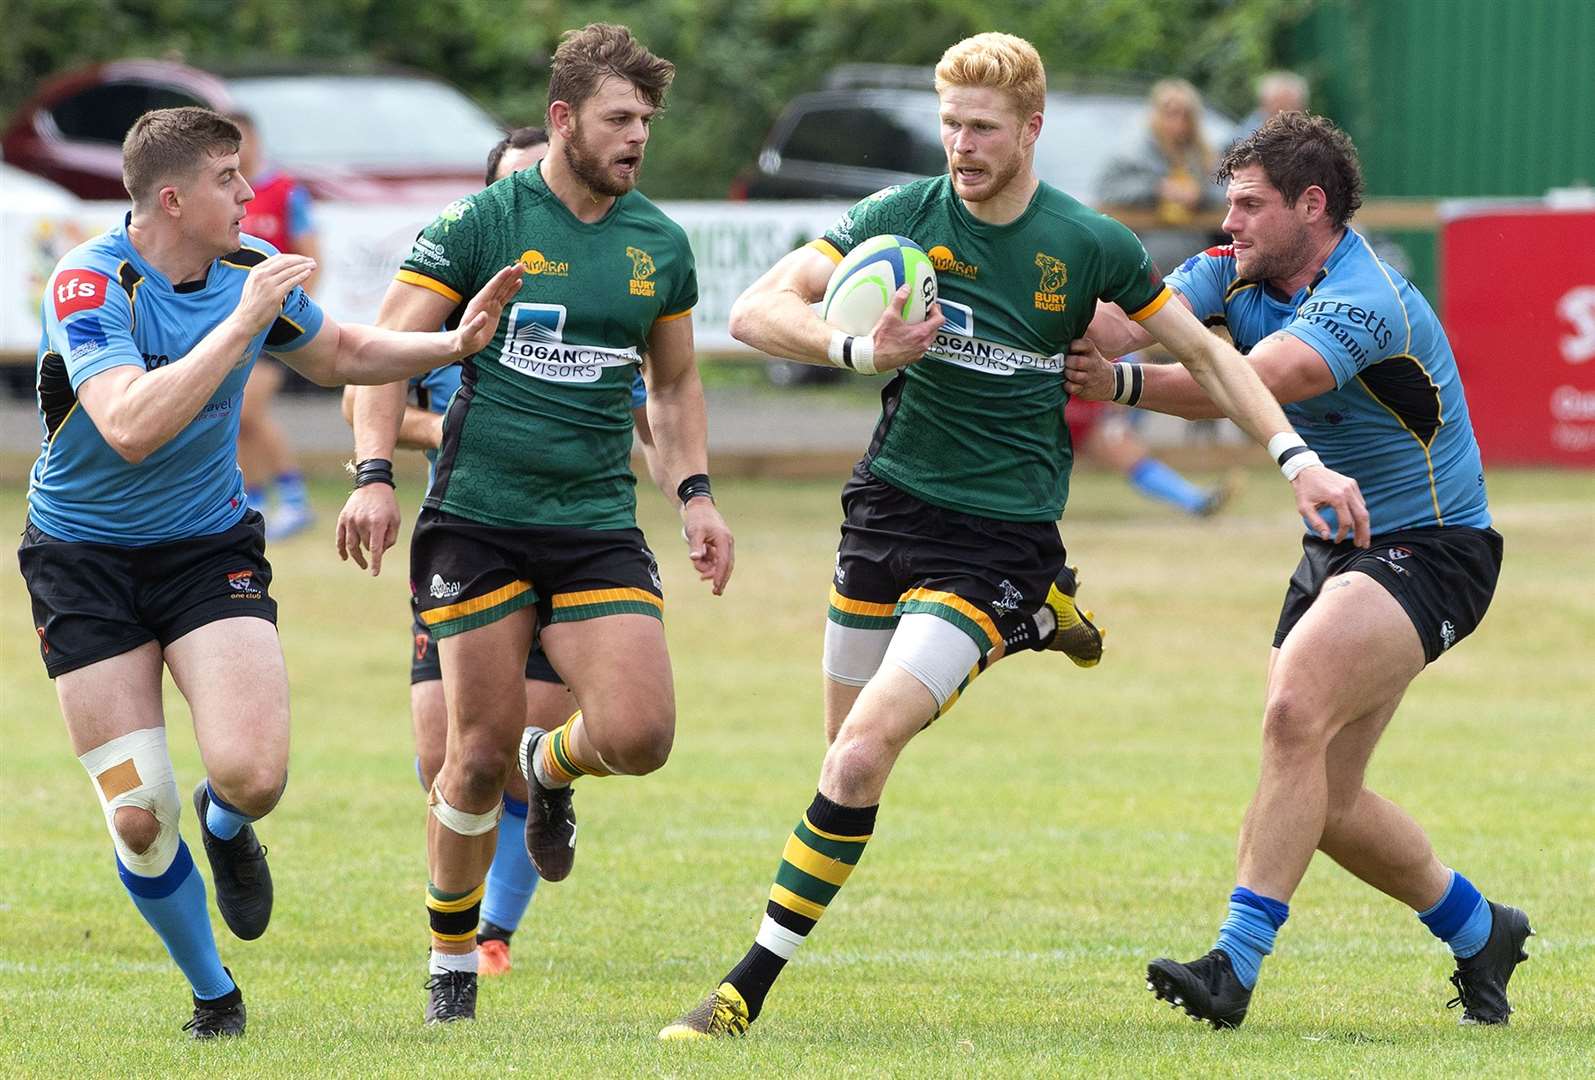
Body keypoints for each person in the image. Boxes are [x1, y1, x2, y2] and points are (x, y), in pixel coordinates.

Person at [659, 33, 1366, 1040]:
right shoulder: (899, 219)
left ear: (1030, 128)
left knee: (859, 759)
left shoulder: (1086, 244)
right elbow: (755, 309)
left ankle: (740, 992)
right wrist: (853, 345)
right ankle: (1041, 618)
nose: (960, 145)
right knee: (838, 763)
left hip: (995, 540)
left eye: (981, 128)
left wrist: (1295, 460)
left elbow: (1206, 360)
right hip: (885, 514)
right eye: (948, 125)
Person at [16, 107, 519, 1039]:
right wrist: (241, 322)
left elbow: (340, 353)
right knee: (135, 813)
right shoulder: (92, 283)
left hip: (205, 550)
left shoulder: (249, 275)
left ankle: (226, 827)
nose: (251, 195)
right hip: (81, 560)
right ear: (173, 197)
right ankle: (215, 995)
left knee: (252, 777)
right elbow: (128, 427)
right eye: (228, 179)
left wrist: (450, 347)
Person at [1067, 111, 1529, 1029]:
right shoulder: (1230, 267)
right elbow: (1119, 327)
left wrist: (1114, 385)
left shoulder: (1366, 295)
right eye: (1226, 204)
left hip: (1433, 547)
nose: (1227, 222)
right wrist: (1030, 305)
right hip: (1339, 547)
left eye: (1248, 205)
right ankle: (1480, 928)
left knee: (1291, 713)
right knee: (1324, 793)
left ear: (1309, 206)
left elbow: (1257, 380)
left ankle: (1231, 970)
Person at [334, 23, 734, 1025]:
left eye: (645, 120)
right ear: (562, 120)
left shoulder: (657, 243)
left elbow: (675, 383)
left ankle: (545, 771)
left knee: (640, 736)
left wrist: (693, 494)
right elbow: (379, 352)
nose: (636, 137)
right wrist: (374, 475)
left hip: (595, 519)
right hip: (477, 521)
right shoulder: (480, 223)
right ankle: (452, 967)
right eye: (617, 119)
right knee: (465, 757)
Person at [231, 113, 320, 541]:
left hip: (271, 322)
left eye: (242, 139)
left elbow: (310, 256)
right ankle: (255, 499)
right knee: (236, 416)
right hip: (231, 325)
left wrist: (294, 313)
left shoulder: (284, 192)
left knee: (248, 410)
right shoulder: (220, 196)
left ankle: (295, 498)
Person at [1096, 78, 1227, 274]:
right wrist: (1157, 188)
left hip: (1197, 251)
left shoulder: (1205, 155)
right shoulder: (1131, 153)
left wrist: (1200, 194)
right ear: (1156, 114)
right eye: (1171, 113)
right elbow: (1107, 192)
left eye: (1185, 115)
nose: (1178, 122)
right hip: (1148, 249)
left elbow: (1229, 193)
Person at [1068, 397, 1237, 517]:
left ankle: (1196, 501)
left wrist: (1114, 416)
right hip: (1053, 411)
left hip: (1083, 414)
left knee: (1132, 457)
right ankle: (1196, 501)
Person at [1234, 71, 1309, 144]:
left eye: (1289, 108)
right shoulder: (1250, 131)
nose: (1282, 115)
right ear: (1263, 106)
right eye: (1277, 108)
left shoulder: (1308, 138)